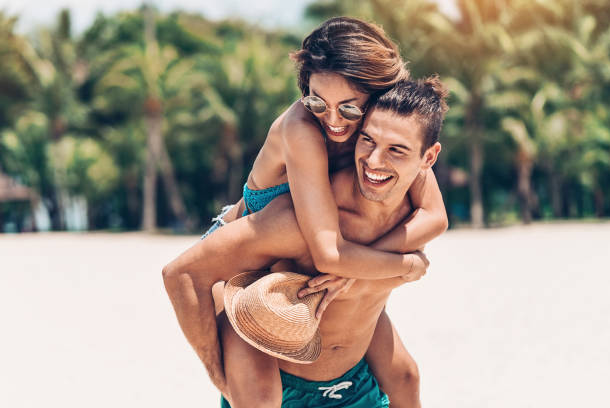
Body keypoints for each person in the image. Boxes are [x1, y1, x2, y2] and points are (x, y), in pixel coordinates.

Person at [164, 76, 449, 407]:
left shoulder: (415, 214)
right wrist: (219, 376)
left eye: (397, 150)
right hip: (275, 380)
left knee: (407, 377)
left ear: (427, 158)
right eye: (368, 141)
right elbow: (181, 274)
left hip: (353, 380)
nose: (374, 161)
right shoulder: (303, 223)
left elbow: (438, 218)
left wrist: (363, 267)